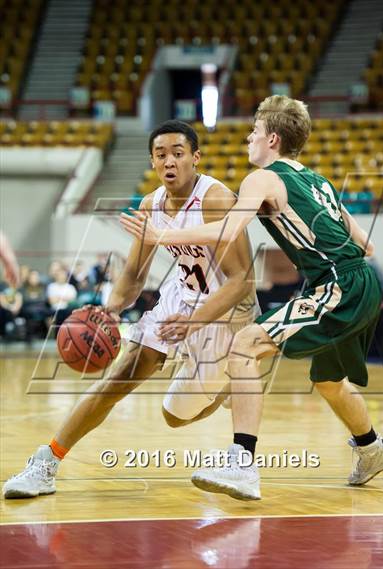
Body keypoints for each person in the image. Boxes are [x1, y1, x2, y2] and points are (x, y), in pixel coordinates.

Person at [121, 96, 383, 500]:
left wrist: (160, 234)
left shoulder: (262, 178)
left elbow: (224, 232)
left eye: (253, 132)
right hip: (362, 283)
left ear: (272, 138)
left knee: (244, 344)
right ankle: (372, 448)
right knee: (328, 381)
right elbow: (367, 245)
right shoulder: (316, 180)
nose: (247, 140)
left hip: (337, 285)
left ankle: (243, 464)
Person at [2, 120, 258, 499]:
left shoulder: (215, 199)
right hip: (180, 296)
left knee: (174, 418)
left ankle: (223, 391)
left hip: (225, 313)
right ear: (152, 162)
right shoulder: (151, 204)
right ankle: (47, 462)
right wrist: (107, 311)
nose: (169, 161)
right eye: (160, 155)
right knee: (120, 377)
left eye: (178, 153)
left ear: (195, 158)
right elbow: (134, 276)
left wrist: (193, 322)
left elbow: (242, 282)